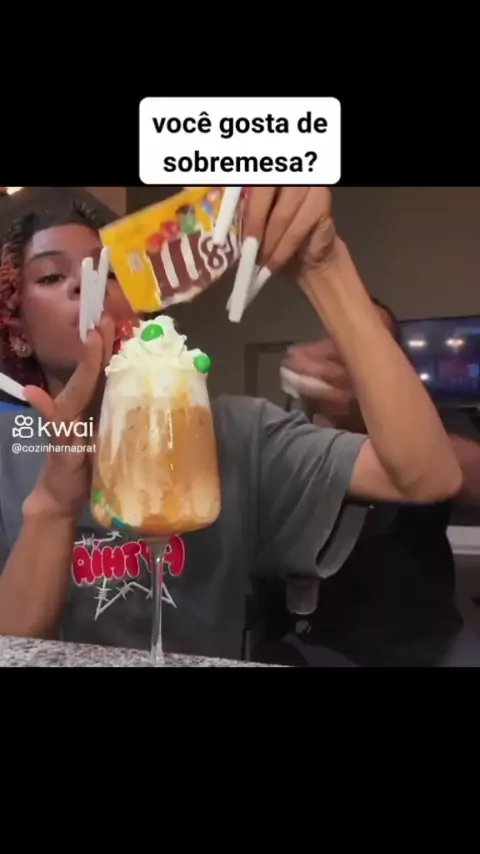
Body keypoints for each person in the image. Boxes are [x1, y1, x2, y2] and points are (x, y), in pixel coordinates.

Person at [0, 188, 462, 661]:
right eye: (52, 276)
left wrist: (325, 266)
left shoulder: (237, 434)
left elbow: (429, 476)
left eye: (110, 271)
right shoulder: (6, 454)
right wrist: (54, 503)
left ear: (137, 309)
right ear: (17, 329)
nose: (88, 285)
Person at [254, 300, 480, 667]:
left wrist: (364, 414)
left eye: (365, 339)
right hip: (313, 645)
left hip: (429, 645)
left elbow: (472, 477)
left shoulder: (431, 421)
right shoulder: (292, 430)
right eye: (339, 337)